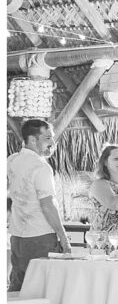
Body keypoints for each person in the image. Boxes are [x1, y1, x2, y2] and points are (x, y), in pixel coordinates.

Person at [7, 118, 71, 292]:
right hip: (40, 237)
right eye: (48, 138)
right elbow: (48, 205)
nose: (53, 143)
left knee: (18, 288)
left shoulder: (12, 161)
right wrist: (63, 237)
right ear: (33, 140)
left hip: (17, 237)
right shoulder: (41, 168)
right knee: (44, 289)